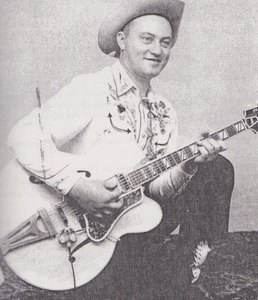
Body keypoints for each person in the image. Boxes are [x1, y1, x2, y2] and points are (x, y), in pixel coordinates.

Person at [7, 0, 234, 298]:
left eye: (165, 43)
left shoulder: (165, 111)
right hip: (78, 228)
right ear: (122, 40)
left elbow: (155, 191)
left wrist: (189, 164)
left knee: (215, 168)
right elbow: (23, 136)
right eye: (147, 39)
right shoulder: (92, 88)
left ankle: (186, 262)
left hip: (128, 221)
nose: (157, 50)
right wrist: (79, 187)